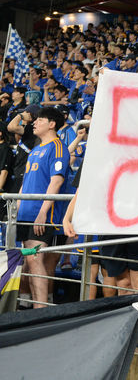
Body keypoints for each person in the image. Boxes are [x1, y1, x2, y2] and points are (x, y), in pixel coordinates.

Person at [16, 107, 70, 308]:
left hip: (41, 214)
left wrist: (42, 212)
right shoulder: (35, 149)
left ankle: (41, 310)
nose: (34, 123)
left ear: (52, 124)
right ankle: (27, 306)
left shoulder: (57, 147)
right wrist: (17, 208)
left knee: (36, 261)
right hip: (24, 214)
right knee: (28, 262)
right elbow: (26, 183)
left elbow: (55, 182)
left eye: (39, 120)